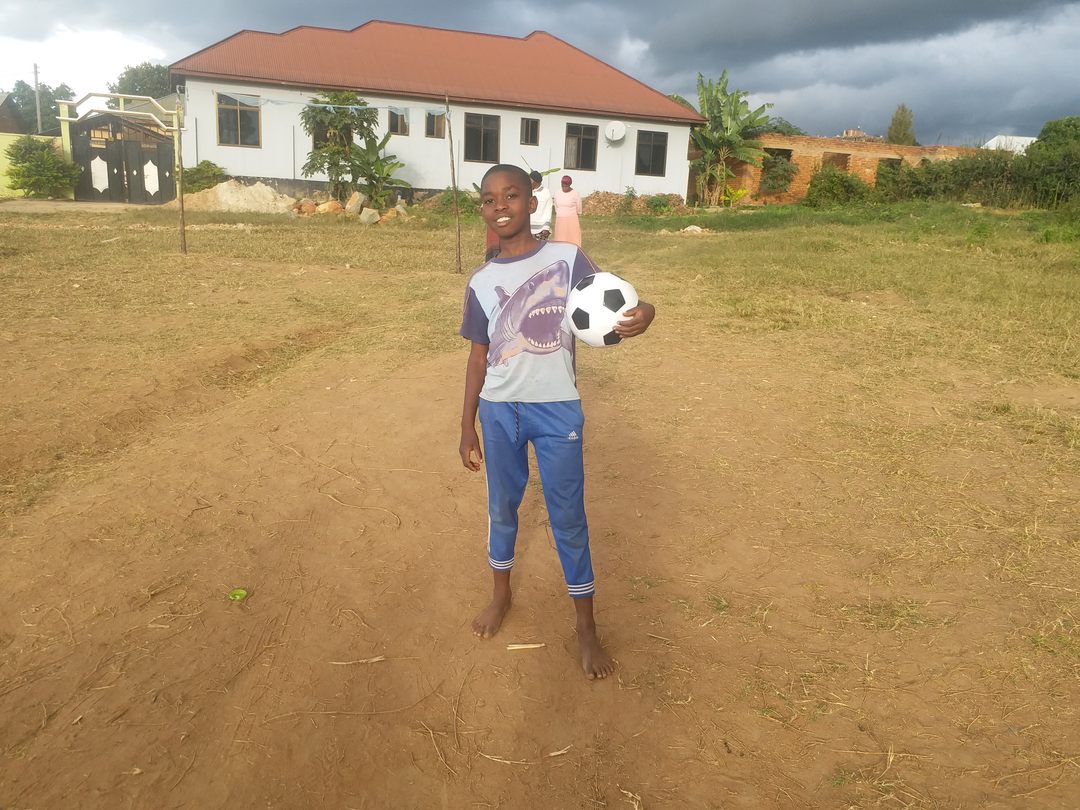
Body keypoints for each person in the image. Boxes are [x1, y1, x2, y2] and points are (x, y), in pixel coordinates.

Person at [458, 164, 656, 680]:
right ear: (482, 210)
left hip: (556, 409)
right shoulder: (481, 281)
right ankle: (500, 594)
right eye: (489, 199)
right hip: (499, 411)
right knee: (502, 508)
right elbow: (477, 357)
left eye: (511, 196)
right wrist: (466, 425)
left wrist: (646, 312)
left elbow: (617, 300)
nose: (500, 206)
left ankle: (585, 627)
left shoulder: (566, 260)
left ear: (532, 203)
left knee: (568, 516)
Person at [552, 174, 583, 246]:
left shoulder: (575, 193)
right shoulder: (557, 193)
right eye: (562, 186)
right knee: (560, 238)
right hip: (560, 220)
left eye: (566, 186)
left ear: (570, 185)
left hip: (571, 219)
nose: (564, 188)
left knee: (572, 238)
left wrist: (576, 213)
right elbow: (556, 206)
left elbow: (579, 207)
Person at [529, 170, 553, 240]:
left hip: (541, 230)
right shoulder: (527, 191)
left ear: (536, 182)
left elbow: (548, 210)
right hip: (527, 229)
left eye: (530, 181)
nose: (528, 183)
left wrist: (546, 228)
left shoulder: (546, 192)